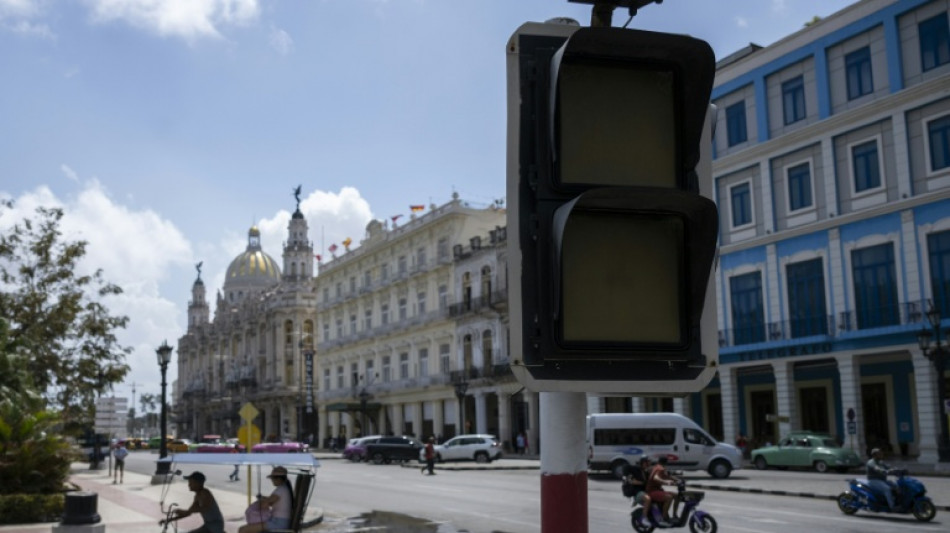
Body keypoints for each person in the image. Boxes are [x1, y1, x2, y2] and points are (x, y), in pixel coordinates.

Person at [160, 471, 225, 533]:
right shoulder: (197, 496)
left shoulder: (205, 493)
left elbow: (205, 508)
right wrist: (168, 520)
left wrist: (186, 511)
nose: (189, 485)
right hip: (208, 525)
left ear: (198, 483)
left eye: (191, 482)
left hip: (216, 526)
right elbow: (189, 513)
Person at [239, 466, 293, 533]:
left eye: (272, 479)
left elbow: (264, 505)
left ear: (278, 479)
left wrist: (263, 501)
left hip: (279, 523)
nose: (272, 481)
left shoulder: (280, 490)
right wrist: (264, 499)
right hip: (279, 521)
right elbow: (271, 500)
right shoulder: (283, 488)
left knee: (243, 530)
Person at [622, 456, 654, 527]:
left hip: (644, 491)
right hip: (638, 492)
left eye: (648, 463)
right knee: (647, 499)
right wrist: (640, 482)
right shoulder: (636, 469)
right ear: (642, 463)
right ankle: (644, 518)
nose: (648, 464)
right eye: (646, 463)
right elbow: (630, 479)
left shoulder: (646, 472)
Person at [645, 456, 676, 525]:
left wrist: (677, 480)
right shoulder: (660, 468)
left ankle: (674, 515)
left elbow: (667, 476)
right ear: (665, 463)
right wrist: (666, 482)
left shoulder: (658, 467)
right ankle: (663, 517)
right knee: (669, 497)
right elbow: (656, 478)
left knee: (676, 495)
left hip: (657, 490)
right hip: (652, 491)